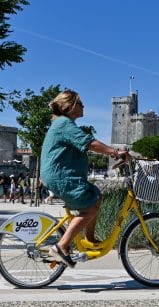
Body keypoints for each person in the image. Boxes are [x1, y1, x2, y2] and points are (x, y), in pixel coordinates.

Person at [41, 89, 129, 268]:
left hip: (63, 175)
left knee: (96, 195)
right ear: (70, 106)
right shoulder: (64, 124)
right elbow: (89, 143)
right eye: (80, 103)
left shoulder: (64, 124)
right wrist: (115, 152)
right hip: (61, 177)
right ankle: (61, 246)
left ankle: (89, 239)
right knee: (88, 209)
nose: (83, 106)